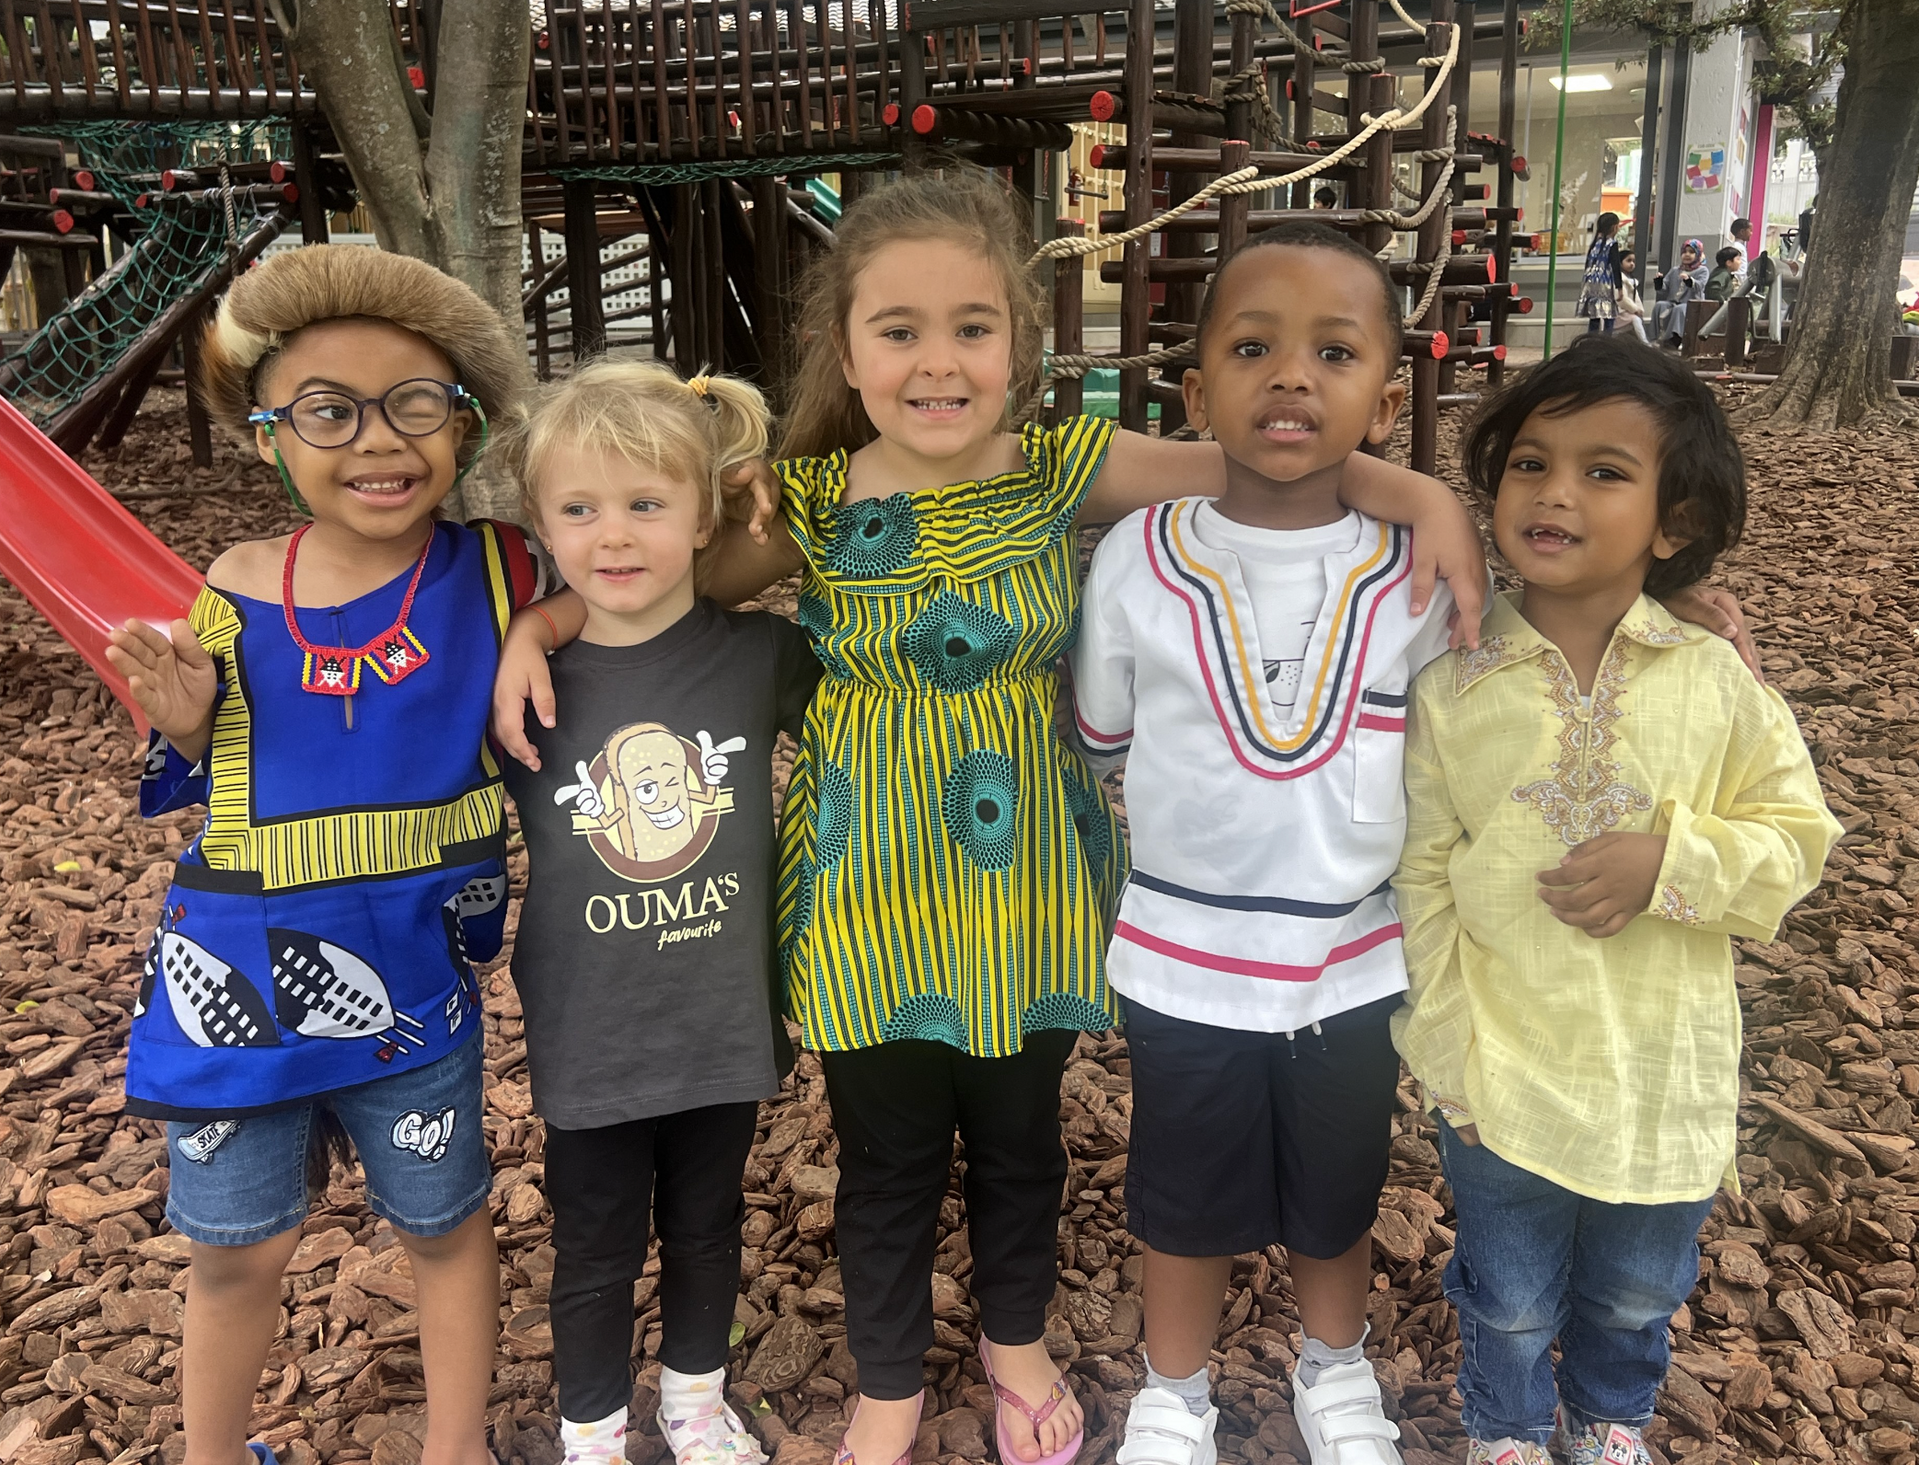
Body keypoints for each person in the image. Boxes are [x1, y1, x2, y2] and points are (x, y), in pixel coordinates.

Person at [493, 168, 1496, 1465]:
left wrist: (1422, 497)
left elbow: (1262, 462)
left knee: (1020, 1139)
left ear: (1020, 342)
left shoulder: (1065, 465)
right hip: (867, 889)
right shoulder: (801, 504)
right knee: (890, 1151)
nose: (936, 361)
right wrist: (544, 618)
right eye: (898, 330)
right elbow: (648, 582)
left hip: (1026, 877)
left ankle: (1015, 1341)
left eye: (972, 326)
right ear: (843, 349)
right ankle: (890, 1380)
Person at [102, 246, 548, 1465]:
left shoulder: (503, 574)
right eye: (327, 410)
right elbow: (200, 771)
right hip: (234, 989)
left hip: (414, 985)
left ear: (460, 425)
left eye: (415, 402)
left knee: (446, 1222)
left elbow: (643, 575)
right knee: (234, 1249)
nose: (377, 440)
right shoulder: (233, 592)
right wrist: (190, 717)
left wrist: (548, 622)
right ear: (265, 438)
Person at [1391, 336, 1840, 1465]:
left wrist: (1672, 863)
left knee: (1639, 1295)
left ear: (1674, 521)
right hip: (1505, 1071)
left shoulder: (1713, 678)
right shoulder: (1451, 680)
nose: (1554, 492)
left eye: (1604, 471)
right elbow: (1423, 876)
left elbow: (1796, 840)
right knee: (1505, 1293)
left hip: (1662, 1074)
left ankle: (1609, 1425)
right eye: (1530, 463)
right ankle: (1504, 1431)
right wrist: (1448, 1055)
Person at [1070, 223, 1455, 1465]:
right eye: (1252, 347)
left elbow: (1481, 728)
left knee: (1338, 1192)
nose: (1292, 376)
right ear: (1196, 395)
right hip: (1184, 961)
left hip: (1354, 962)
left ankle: (1334, 1376)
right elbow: (1102, 727)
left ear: (1385, 400)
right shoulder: (1136, 561)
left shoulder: (1420, 572)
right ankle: (1173, 1392)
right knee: (1180, 1200)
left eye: (1334, 352)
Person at [496, 360, 821, 1465]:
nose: (614, 535)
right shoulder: (527, 682)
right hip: (593, 1032)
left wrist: (778, 505)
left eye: (646, 504)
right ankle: (591, 1425)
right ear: (541, 521)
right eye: (579, 509)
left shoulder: (763, 656)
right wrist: (529, 632)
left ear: (706, 511)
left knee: (707, 1227)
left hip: (721, 1022)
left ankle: (693, 1399)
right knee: (590, 1243)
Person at [1649, 240, 1706, 346]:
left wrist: (1689, 281)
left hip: (1692, 304)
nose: (1687, 255)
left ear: (1698, 254)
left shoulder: (1702, 271)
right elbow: (1664, 288)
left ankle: (1673, 339)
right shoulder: (1675, 270)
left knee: (1679, 310)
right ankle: (1655, 337)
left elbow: (1700, 286)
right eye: (1684, 252)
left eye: (1691, 252)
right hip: (1673, 302)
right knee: (1660, 305)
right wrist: (1659, 282)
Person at [1574, 212, 1621, 334]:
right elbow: (1616, 266)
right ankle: (1606, 341)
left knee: (1594, 316)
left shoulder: (1595, 244)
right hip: (1605, 283)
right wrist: (1619, 287)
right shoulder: (1612, 244)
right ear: (1614, 227)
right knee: (1608, 315)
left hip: (1590, 283)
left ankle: (1592, 340)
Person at [1615, 250, 1650, 344]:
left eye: (1633, 261)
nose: (1632, 264)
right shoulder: (1619, 279)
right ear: (1620, 263)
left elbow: (1636, 298)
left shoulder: (1632, 280)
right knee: (1635, 320)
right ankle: (1645, 343)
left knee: (1637, 320)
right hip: (1619, 312)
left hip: (1628, 312)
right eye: (1628, 261)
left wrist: (1640, 309)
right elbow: (1622, 299)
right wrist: (1634, 309)